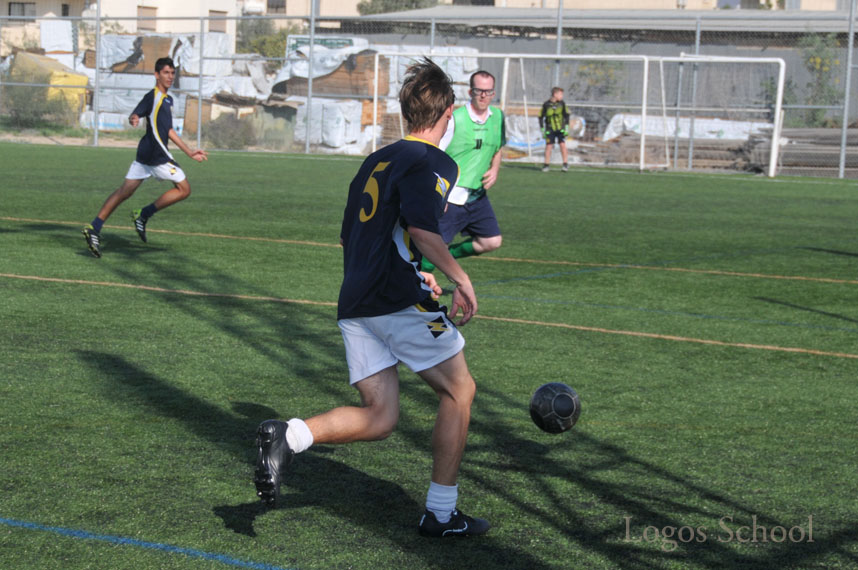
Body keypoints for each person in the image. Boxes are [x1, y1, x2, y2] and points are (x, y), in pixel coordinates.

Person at [253, 58, 489, 538]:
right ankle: (441, 514)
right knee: (460, 391)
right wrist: (460, 278)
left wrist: (412, 276)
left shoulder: (374, 160)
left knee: (381, 417)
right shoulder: (436, 161)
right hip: (391, 297)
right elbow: (423, 229)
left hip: (357, 298)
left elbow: (354, 238)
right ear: (447, 116)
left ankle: (289, 436)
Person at [82, 56, 208, 258]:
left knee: (125, 191)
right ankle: (143, 215)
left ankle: (94, 228)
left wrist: (190, 151)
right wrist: (134, 118)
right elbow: (137, 113)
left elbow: (168, 130)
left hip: (146, 153)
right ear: (156, 75)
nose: (170, 76)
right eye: (166, 73)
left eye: (172, 73)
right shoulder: (153, 96)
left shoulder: (168, 100)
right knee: (184, 189)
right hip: (156, 156)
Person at [420, 70, 506, 272]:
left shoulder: (498, 117)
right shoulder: (455, 119)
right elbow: (434, 154)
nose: (483, 95)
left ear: (494, 93)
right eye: (479, 91)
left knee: (491, 241)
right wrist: (438, 192)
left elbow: (498, 146)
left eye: (488, 91)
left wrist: (495, 169)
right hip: (452, 196)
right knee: (433, 249)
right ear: (470, 91)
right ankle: (415, 288)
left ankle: (447, 259)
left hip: (477, 196)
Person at [539, 87, 570, 172]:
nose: (562, 96)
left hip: (560, 129)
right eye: (560, 94)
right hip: (550, 129)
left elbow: (567, 116)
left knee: (562, 145)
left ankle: (565, 164)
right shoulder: (546, 105)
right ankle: (546, 165)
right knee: (549, 146)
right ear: (555, 94)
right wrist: (542, 129)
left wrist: (566, 128)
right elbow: (541, 117)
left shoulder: (562, 104)